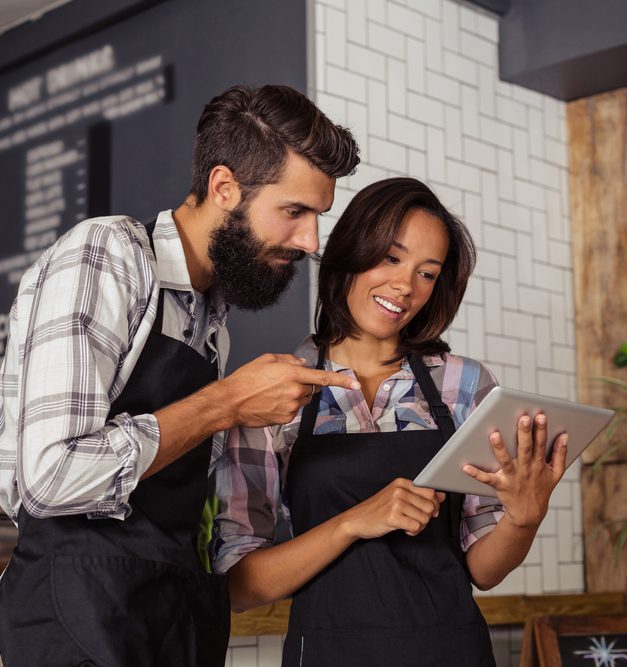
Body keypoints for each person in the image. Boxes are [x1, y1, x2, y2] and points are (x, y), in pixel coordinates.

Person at [0, 84, 362, 667]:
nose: (309, 241)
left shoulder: (210, 318)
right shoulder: (107, 255)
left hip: (169, 610)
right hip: (82, 608)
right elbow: (49, 477)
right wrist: (228, 402)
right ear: (224, 187)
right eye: (294, 212)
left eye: (317, 217)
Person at [212, 177, 570, 666]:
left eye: (428, 273)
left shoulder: (463, 386)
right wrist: (354, 522)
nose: (405, 287)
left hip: (451, 653)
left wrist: (525, 518)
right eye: (391, 258)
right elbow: (241, 584)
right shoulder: (275, 390)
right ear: (351, 253)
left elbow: (484, 570)